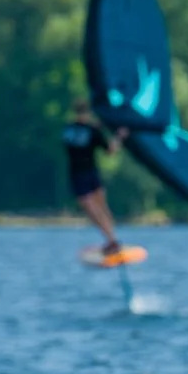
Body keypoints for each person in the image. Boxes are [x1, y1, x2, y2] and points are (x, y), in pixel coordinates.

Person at [62, 99, 127, 258]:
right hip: (83, 173)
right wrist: (119, 137)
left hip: (85, 173)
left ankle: (113, 240)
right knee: (95, 208)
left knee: (98, 208)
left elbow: (107, 149)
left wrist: (114, 135)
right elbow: (111, 150)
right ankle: (112, 240)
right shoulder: (89, 130)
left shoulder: (70, 129)